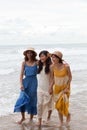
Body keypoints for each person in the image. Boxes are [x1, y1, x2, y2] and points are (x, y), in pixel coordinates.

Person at [14, 47, 38, 124]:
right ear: (26, 54)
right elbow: (21, 75)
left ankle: (31, 118)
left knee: (32, 100)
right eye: (28, 52)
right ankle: (23, 117)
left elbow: (47, 62)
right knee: (22, 99)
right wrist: (21, 84)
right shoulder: (24, 63)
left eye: (31, 52)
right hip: (26, 81)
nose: (29, 54)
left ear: (33, 54)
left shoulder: (37, 62)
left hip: (34, 82)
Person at [49, 51, 72, 127]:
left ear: (59, 58)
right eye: (52, 57)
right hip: (57, 88)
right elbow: (52, 78)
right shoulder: (52, 67)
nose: (53, 59)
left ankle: (67, 114)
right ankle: (61, 121)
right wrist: (50, 88)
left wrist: (67, 88)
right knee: (58, 106)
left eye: (55, 57)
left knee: (62, 104)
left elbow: (70, 77)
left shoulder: (66, 66)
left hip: (65, 88)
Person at [37, 50, 54, 126]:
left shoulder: (51, 66)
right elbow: (30, 59)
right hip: (40, 88)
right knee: (40, 104)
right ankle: (39, 120)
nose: (41, 57)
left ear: (47, 57)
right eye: (40, 56)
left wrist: (50, 88)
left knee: (49, 104)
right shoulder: (39, 64)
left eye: (43, 56)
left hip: (48, 87)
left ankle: (48, 117)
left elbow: (52, 78)